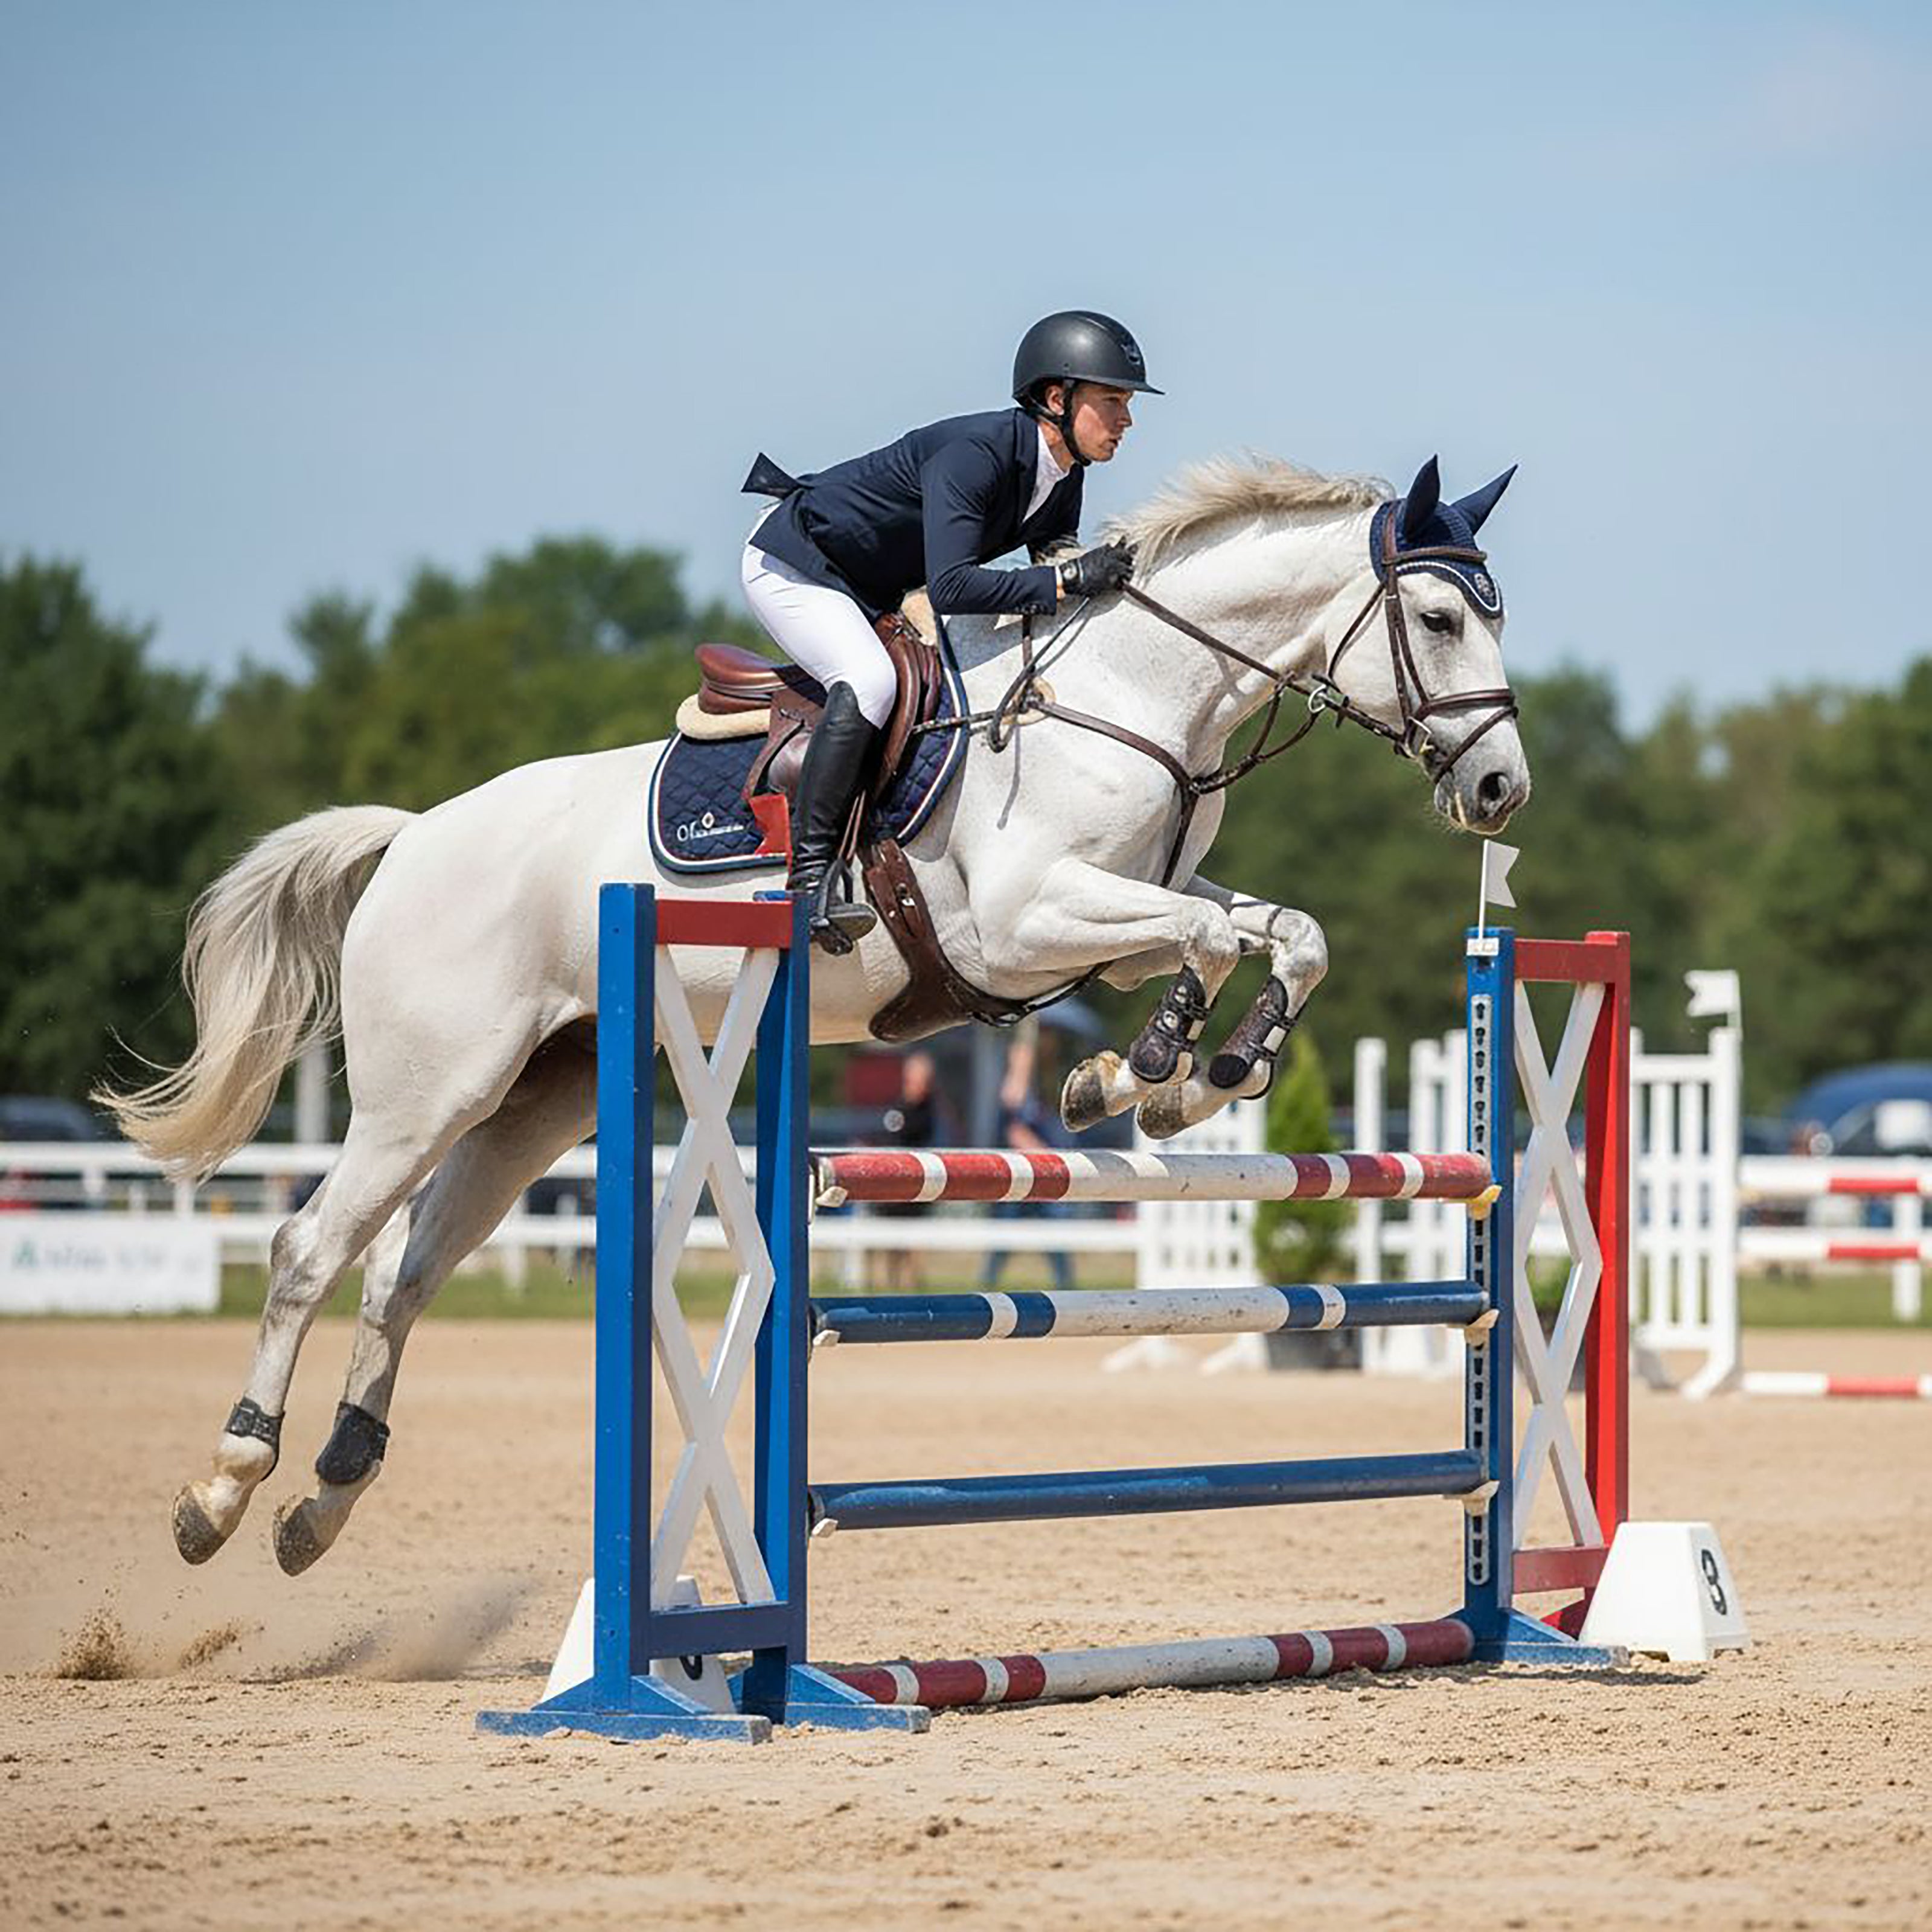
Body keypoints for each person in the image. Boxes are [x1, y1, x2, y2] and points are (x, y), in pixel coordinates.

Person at [739, 310, 1160, 952]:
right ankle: (810, 878)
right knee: (870, 681)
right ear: (1057, 398)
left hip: (868, 585)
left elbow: (1053, 564)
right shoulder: (976, 456)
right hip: (797, 563)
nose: (1126, 420)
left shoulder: (1062, 473)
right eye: (1113, 401)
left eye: (1126, 404)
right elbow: (954, 589)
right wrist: (1070, 577)